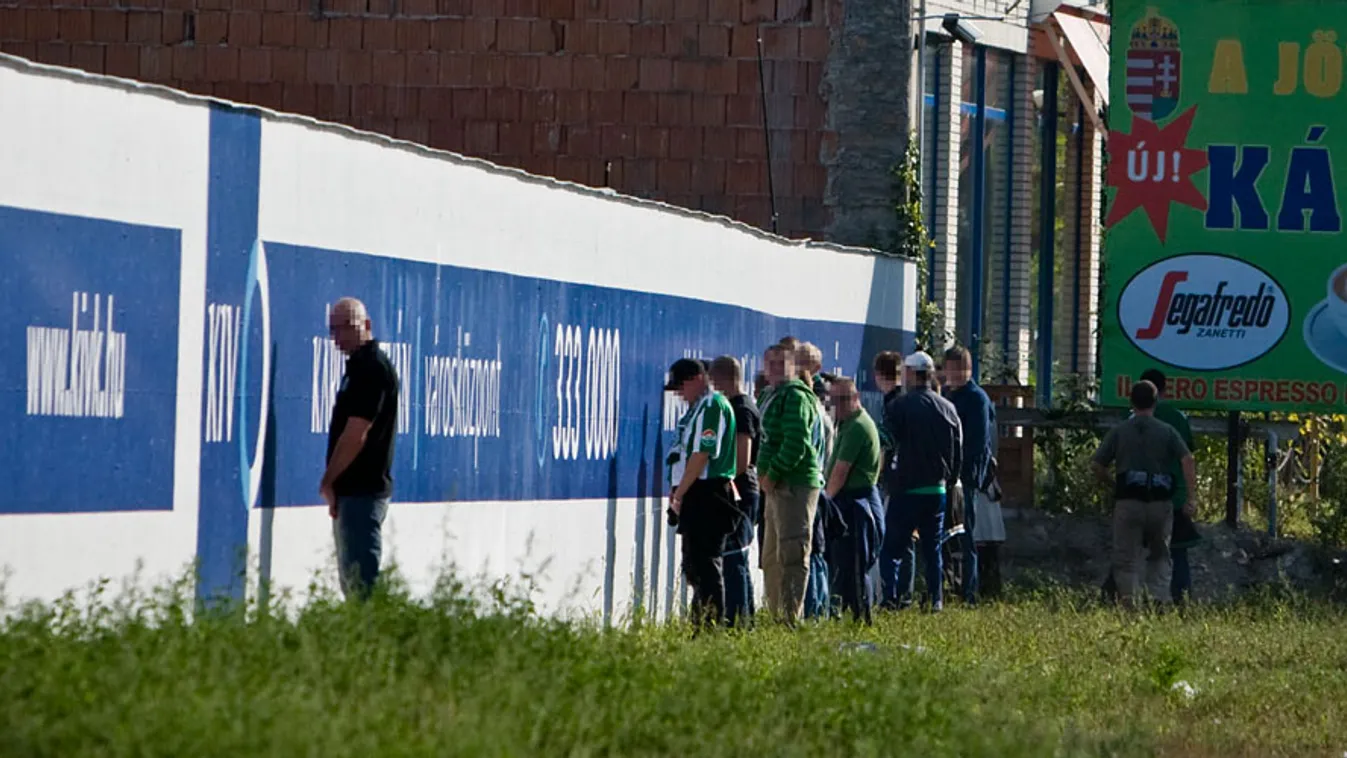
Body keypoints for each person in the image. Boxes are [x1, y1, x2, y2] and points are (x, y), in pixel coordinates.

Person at [1091, 380, 1197, 610]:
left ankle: (1130, 606)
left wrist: (1113, 484)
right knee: (1160, 555)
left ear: (1131, 402)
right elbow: (1188, 459)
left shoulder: (1121, 430)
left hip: (1128, 502)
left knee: (1126, 559)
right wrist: (1191, 498)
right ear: (1155, 401)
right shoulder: (1166, 431)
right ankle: (1158, 601)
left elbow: (1098, 465)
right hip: (1160, 504)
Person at [321, 297, 400, 601]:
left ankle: (372, 645)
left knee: (361, 586)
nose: (339, 337)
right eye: (333, 330)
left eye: (346, 327)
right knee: (352, 582)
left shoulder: (372, 369)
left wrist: (329, 480)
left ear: (366, 326)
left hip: (363, 492)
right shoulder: (356, 368)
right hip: (353, 493)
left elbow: (357, 433)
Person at [880, 351, 962, 612]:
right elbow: (958, 449)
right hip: (936, 489)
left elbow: (887, 444)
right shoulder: (948, 408)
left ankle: (891, 598)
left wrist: (886, 478)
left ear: (913, 374)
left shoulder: (899, 407)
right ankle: (935, 600)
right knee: (933, 550)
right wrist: (950, 480)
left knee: (893, 548)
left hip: (906, 488)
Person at [665, 358, 740, 631]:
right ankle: (701, 622)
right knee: (694, 564)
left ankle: (710, 627)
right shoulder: (698, 408)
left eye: (681, 387)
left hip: (709, 492)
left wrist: (680, 493)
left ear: (697, 378)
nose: (679, 395)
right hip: (697, 492)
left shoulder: (712, 406)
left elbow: (702, 454)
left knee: (707, 564)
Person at [757, 345, 823, 626]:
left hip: (793, 484)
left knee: (792, 553)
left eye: (779, 363)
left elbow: (796, 442)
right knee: (771, 556)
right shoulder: (770, 395)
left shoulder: (796, 396)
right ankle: (775, 615)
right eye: (768, 363)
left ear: (793, 365)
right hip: (773, 487)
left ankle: (789, 617)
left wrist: (773, 472)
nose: (772, 369)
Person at [822, 377, 885, 623]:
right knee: (845, 565)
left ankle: (862, 617)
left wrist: (826, 501)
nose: (838, 405)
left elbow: (840, 471)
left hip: (856, 503)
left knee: (856, 566)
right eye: (834, 400)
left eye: (842, 400)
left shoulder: (858, 426)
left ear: (855, 398)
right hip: (851, 499)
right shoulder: (847, 424)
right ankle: (850, 612)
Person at [709, 355, 761, 627]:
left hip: (740, 492)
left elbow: (742, 459)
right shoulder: (739, 406)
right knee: (734, 556)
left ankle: (739, 619)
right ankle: (743, 617)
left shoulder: (741, 409)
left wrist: (720, 478)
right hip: (740, 491)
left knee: (733, 557)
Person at [943, 345, 996, 606]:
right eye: (947, 369)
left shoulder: (976, 399)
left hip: (966, 478)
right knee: (946, 534)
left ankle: (969, 593)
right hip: (944, 475)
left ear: (967, 369)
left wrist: (965, 476)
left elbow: (977, 444)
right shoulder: (946, 395)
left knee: (967, 534)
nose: (950, 375)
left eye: (955, 370)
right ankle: (948, 585)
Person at [1143, 369, 1200, 605]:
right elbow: (1187, 458)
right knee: (1177, 553)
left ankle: (1140, 602)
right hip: (1173, 498)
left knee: (1139, 553)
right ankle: (1181, 602)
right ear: (1165, 390)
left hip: (1141, 496)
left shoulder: (1134, 420)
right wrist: (1191, 497)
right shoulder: (1178, 418)